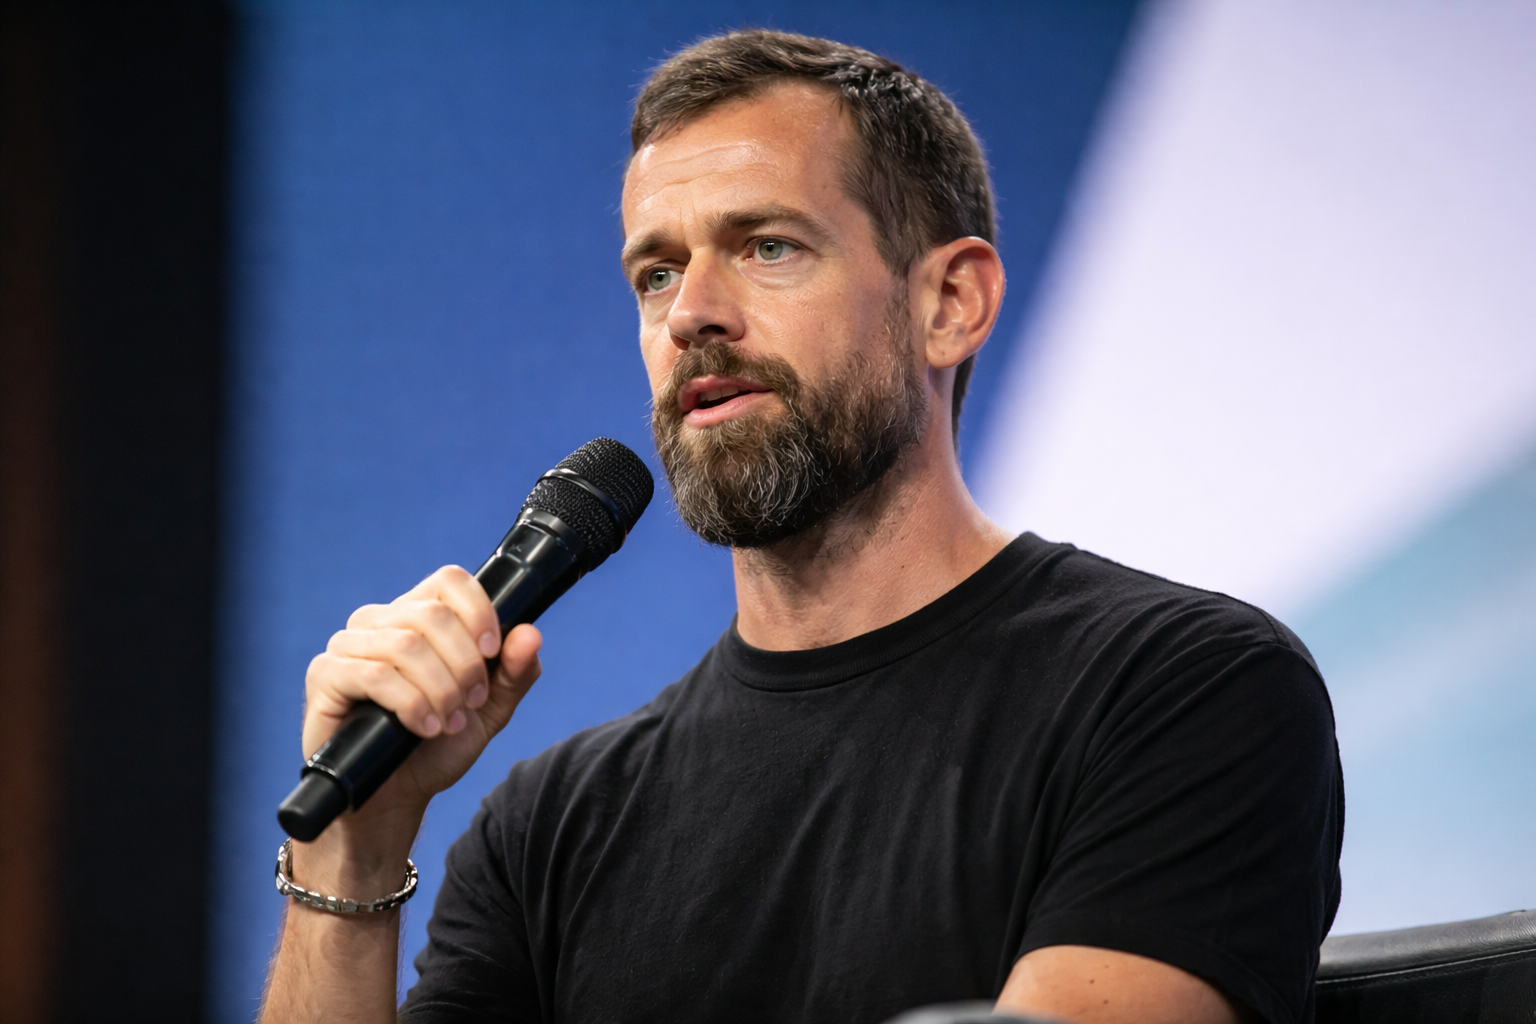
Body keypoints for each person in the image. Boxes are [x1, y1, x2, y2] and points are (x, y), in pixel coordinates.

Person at [258, 30, 1343, 1024]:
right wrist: (355, 845)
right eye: (658, 271)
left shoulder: (1186, 693)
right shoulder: (548, 826)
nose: (691, 313)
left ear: (949, 304)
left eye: (768, 247)